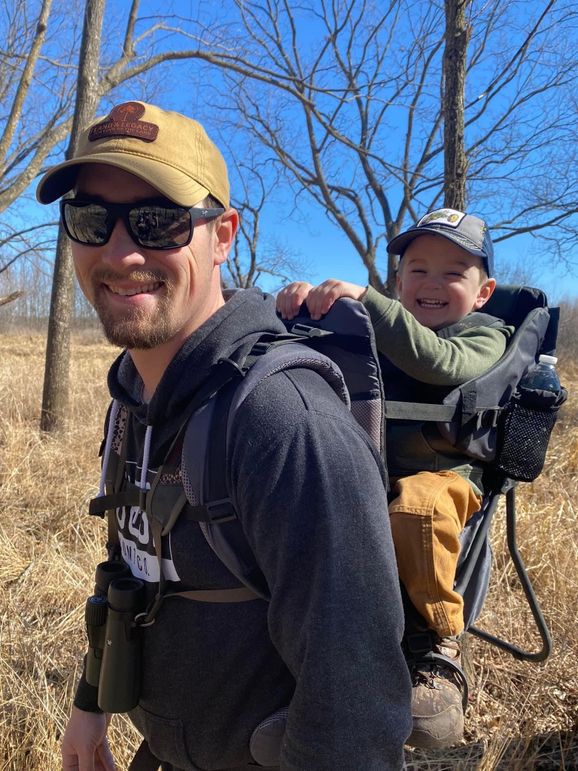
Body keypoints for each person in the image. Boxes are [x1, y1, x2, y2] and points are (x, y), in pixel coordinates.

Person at [36, 100, 412, 771]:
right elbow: (128, 563)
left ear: (224, 235)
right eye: (91, 219)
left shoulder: (284, 423)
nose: (120, 252)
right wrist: (88, 705)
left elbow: (354, 715)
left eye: (159, 222)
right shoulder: (132, 396)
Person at [277, 208, 513, 750]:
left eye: (453, 273)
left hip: (448, 478)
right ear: (399, 280)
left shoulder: (484, 333)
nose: (432, 284)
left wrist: (372, 304)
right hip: (368, 467)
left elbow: (439, 363)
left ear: (483, 291)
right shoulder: (376, 330)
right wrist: (296, 311)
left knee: (417, 508)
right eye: (417, 270)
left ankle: (437, 643)